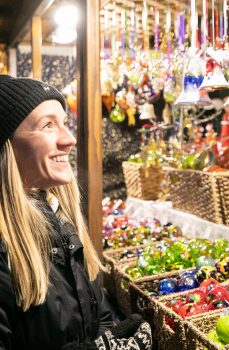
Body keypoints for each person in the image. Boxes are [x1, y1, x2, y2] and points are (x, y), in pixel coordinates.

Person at [0, 75, 152, 350]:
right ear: (7, 147)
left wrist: (112, 339)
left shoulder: (63, 217)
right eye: (48, 125)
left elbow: (99, 313)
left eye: (65, 124)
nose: (69, 139)